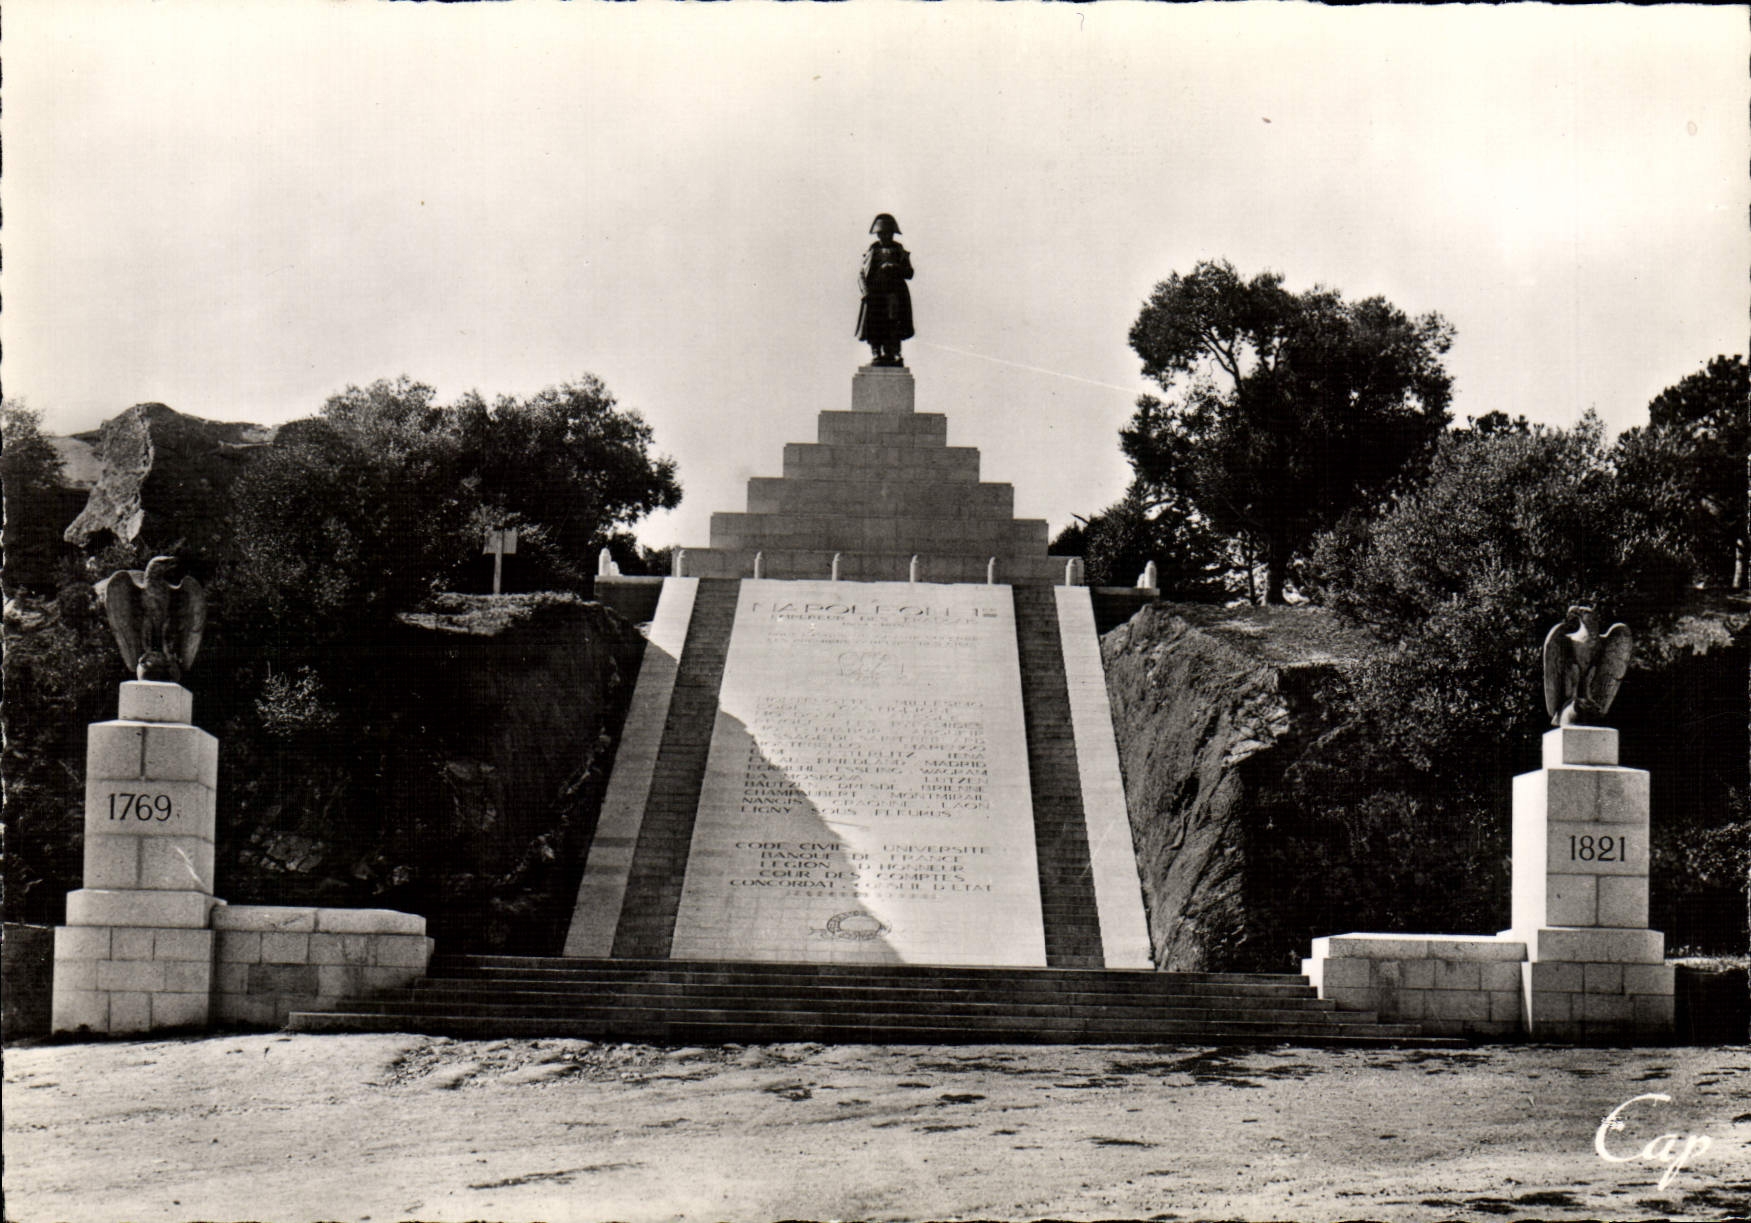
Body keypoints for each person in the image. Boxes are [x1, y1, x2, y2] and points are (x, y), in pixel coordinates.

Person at [856, 213, 913, 366]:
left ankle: (893, 352)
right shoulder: (872, 251)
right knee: (875, 323)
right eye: (881, 234)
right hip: (875, 293)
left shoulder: (899, 251)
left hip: (894, 293)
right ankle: (876, 352)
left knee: (893, 323)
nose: (885, 237)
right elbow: (862, 273)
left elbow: (909, 272)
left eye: (888, 233)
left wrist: (895, 267)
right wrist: (865, 292)